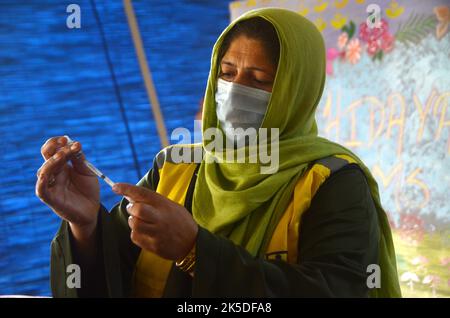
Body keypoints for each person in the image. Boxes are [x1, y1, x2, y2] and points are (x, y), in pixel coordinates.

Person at [36, 8, 401, 297]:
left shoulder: (331, 182)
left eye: (260, 80)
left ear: (297, 93)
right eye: (227, 73)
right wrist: (85, 224)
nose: (236, 90)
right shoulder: (176, 166)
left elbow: (333, 289)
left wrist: (196, 250)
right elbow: (112, 272)